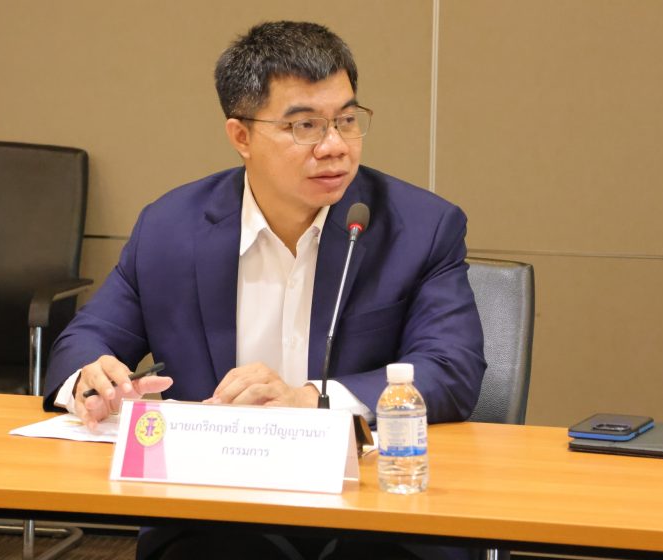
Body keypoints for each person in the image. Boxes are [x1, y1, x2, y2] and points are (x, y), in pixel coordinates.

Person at [43, 21, 485, 560]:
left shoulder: (420, 226)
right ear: (241, 137)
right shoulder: (170, 228)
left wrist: (311, 401)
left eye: (347, 120)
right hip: (216, 511)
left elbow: (451, 369)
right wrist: (90, 379)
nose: (334, 147)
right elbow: (84, 340)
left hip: (376, 509)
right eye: (304, 126)